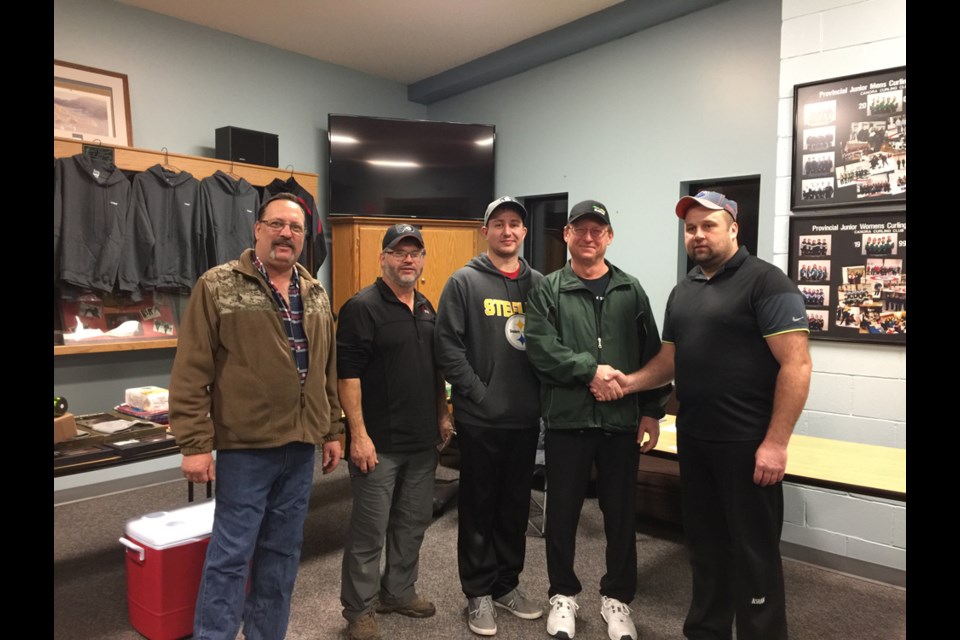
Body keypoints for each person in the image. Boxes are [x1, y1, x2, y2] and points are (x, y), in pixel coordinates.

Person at [613, 191, 812, 640]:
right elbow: (670, 361)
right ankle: (706, 631)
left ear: (734, 228)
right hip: (695, 441)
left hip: (748, 446)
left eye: (709, 225)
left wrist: (776, 443)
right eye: (690, 228)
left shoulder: (767, 282)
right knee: (704, 549)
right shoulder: (683, 291)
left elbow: (796, 364)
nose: (698, 235)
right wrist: (629, 383)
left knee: (753, 556)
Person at [169, 192, 343, 640]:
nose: (287, 233)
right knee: (231, 554)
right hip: (245, 447)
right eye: (278, 224)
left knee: (282, 555)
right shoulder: (217, 285)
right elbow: (191, 370)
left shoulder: (316, 291)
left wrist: (332, 429)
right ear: (258, 229)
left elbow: (327, 368)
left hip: (301, 447)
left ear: (305, 237)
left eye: (296, 227)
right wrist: (194, 445)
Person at [525, 200, 670, 640]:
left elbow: (653, 353)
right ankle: (562, 596)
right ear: (566, 235)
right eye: (580, 229)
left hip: (621, 423)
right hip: (568, 422)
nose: (589, 237)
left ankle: (617, 599)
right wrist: (592, 370)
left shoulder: (632, 289)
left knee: (620, 515)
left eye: (598, 230)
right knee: (563, 514)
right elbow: (540, 348)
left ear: (609, 237)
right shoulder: (548, 289)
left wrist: (650, 410)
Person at [337, 223, 455, 640]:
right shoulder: (361, 307)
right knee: (369, 531)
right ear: (382, 258)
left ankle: (399, 592)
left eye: (415, 253)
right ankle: (360, 610)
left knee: (412, 523)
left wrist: (443, 414)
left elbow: (437, 369)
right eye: (399, 252)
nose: (408, 259)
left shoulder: (426, 307)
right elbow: (347, 376)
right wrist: (359, 434)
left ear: (422, 260)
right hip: (379, 444)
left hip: (423, 442)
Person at [434, 197, 545, 636]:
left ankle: (506, 585)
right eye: (498, 224)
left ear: (523, 232)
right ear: (487, 231)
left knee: (515, 508)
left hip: (525, 419)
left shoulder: (539, 284)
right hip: (481, 420)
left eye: (514, 224)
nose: (507, 231)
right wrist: (479, 394)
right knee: (479, 508)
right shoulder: (464, 282)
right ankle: (477, 592)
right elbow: (447, 347)